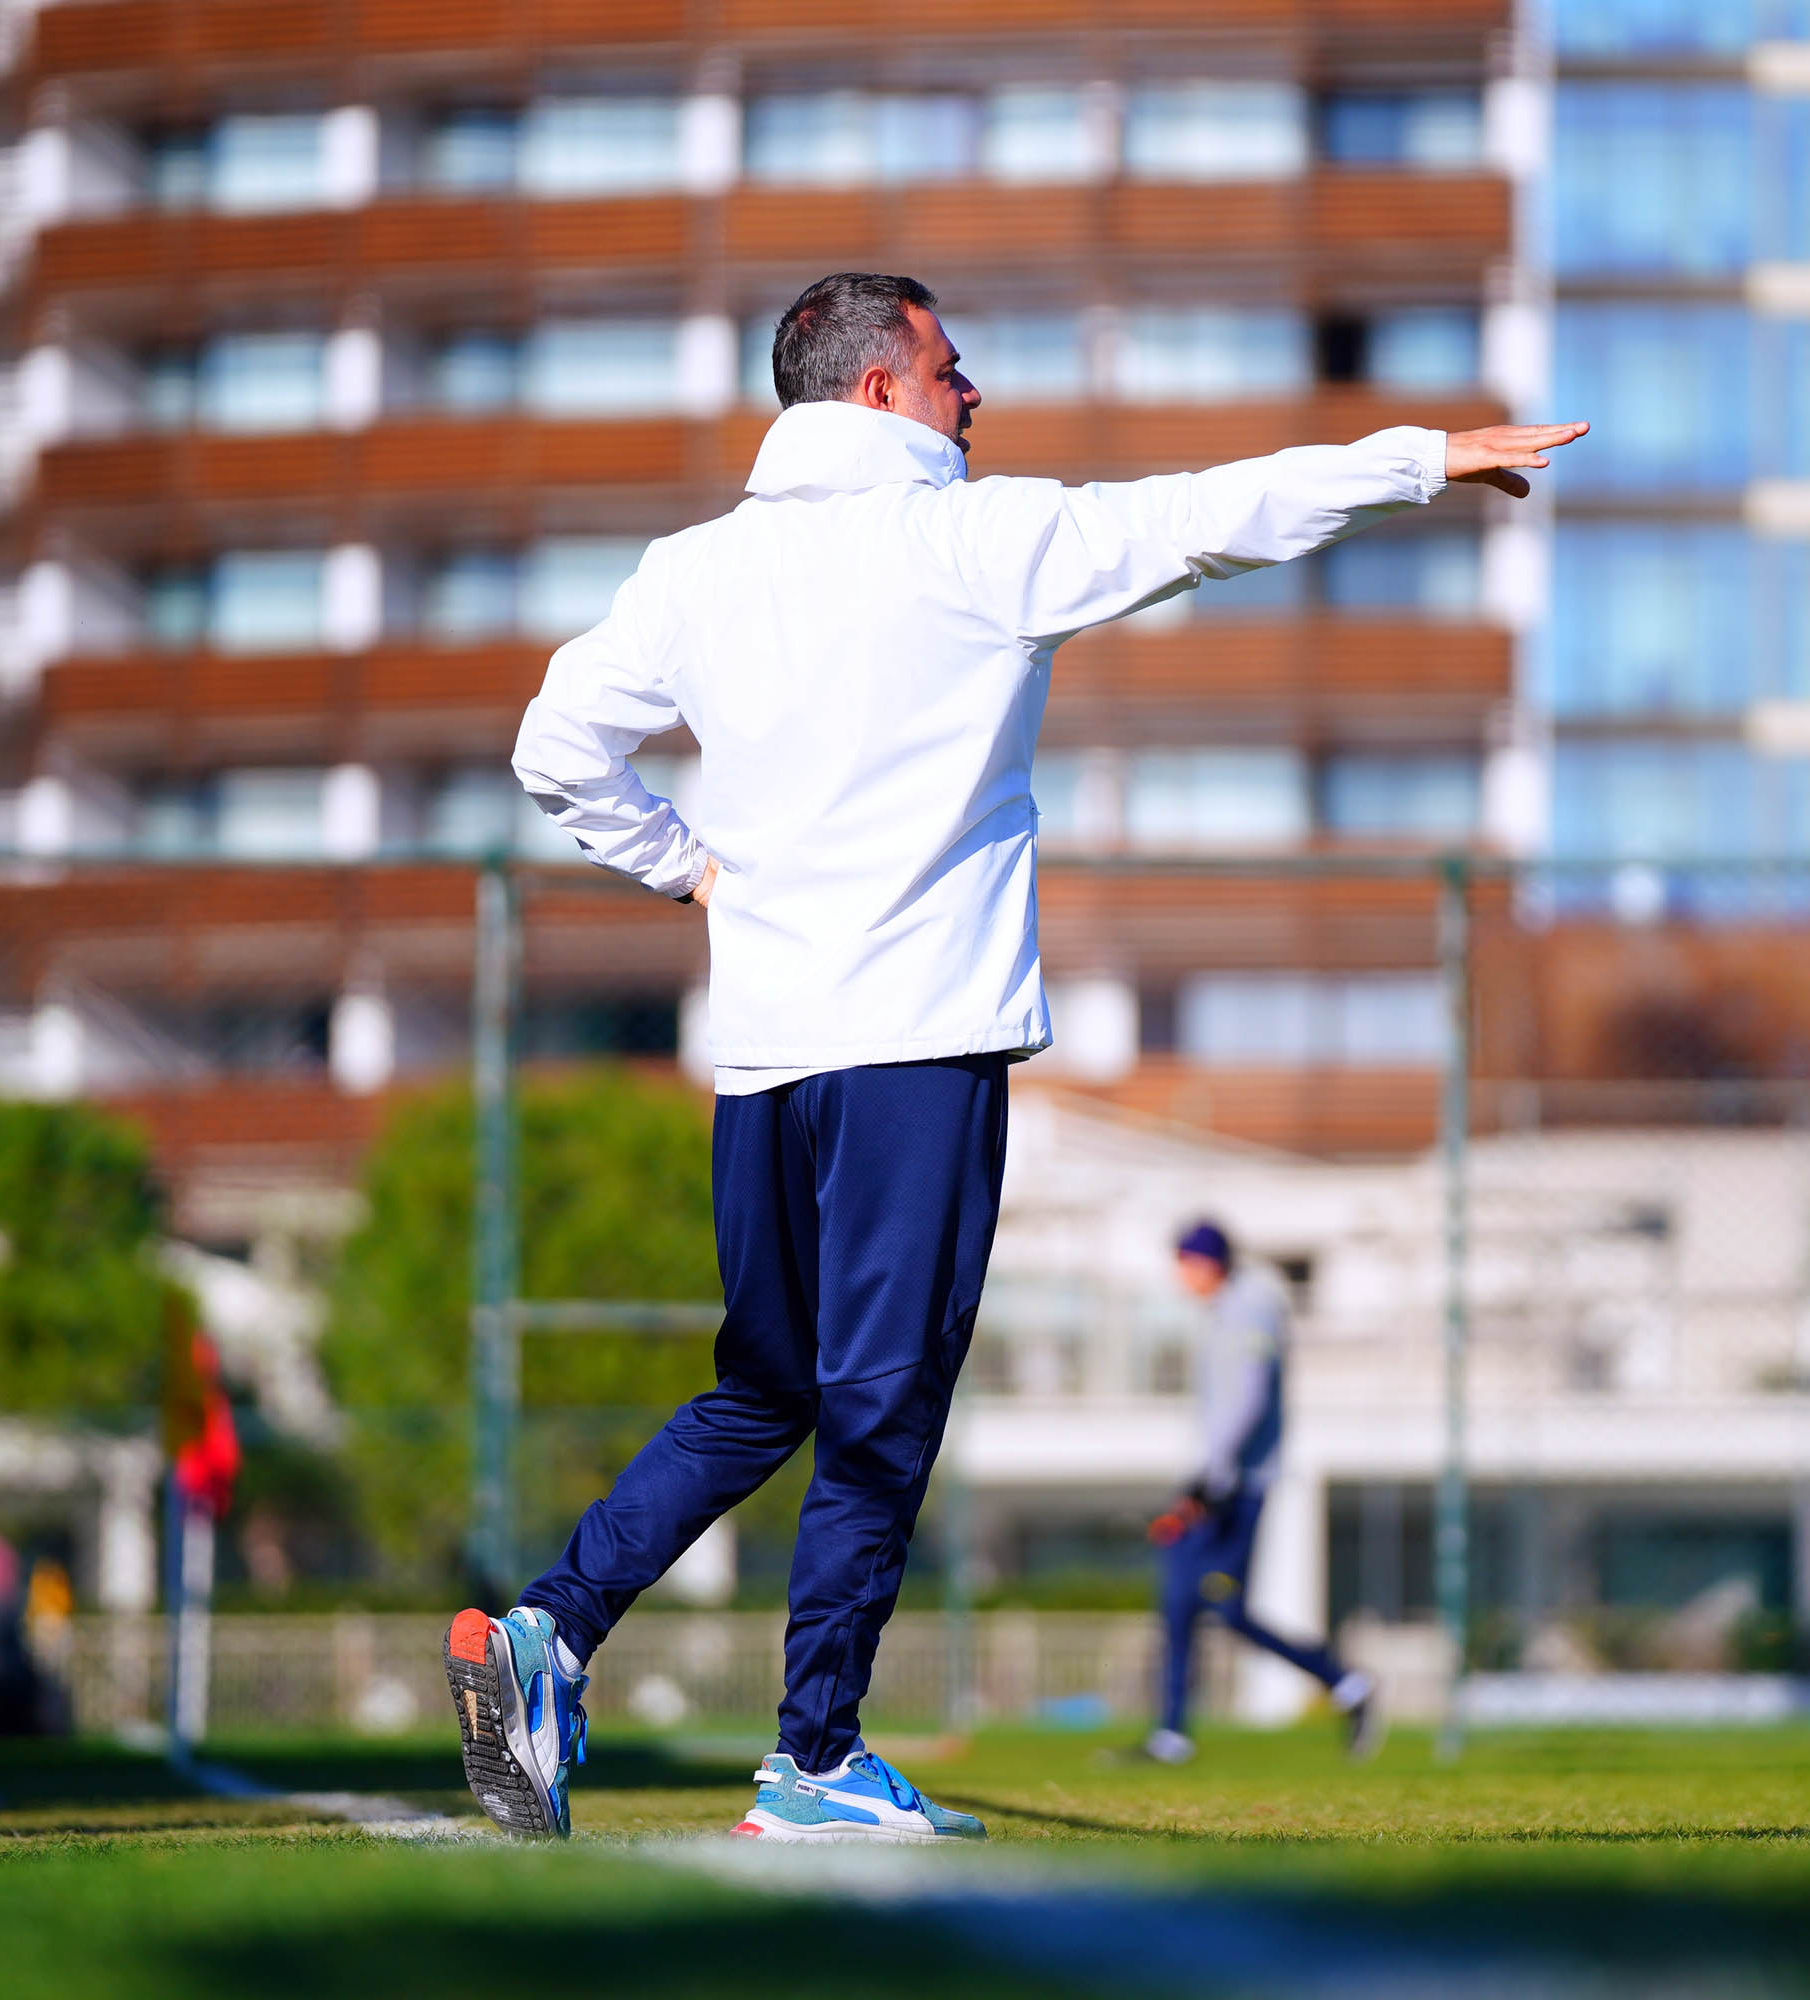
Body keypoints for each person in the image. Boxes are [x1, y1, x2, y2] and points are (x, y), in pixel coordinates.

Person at [441, 269, 1583, 1842]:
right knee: (881, 1405)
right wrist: (1417, 458)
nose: (974, 395)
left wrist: (690, 869)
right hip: (914, 1052)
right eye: (949, 368)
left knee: (764, 1387)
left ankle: (550, 1631)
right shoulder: (970, 543)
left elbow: (551, 743)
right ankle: (816, 1759)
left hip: (765, 1059)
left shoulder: (692, 573)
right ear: (875, 392)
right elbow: (1203, 517)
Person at [1144, 1220, 1379, 1764]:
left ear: (1207, 1262)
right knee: (1185, 1597)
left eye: (1184, 1264)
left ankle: (1345, 1683)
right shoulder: (1227, 1308)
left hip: (1236, 1488)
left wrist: (1209, 1477)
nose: (1180, 1277)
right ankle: (1172, 1734)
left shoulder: (1251, 1306)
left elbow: (1247, 1398)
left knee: (1221, 1607)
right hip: (1218, 1482)